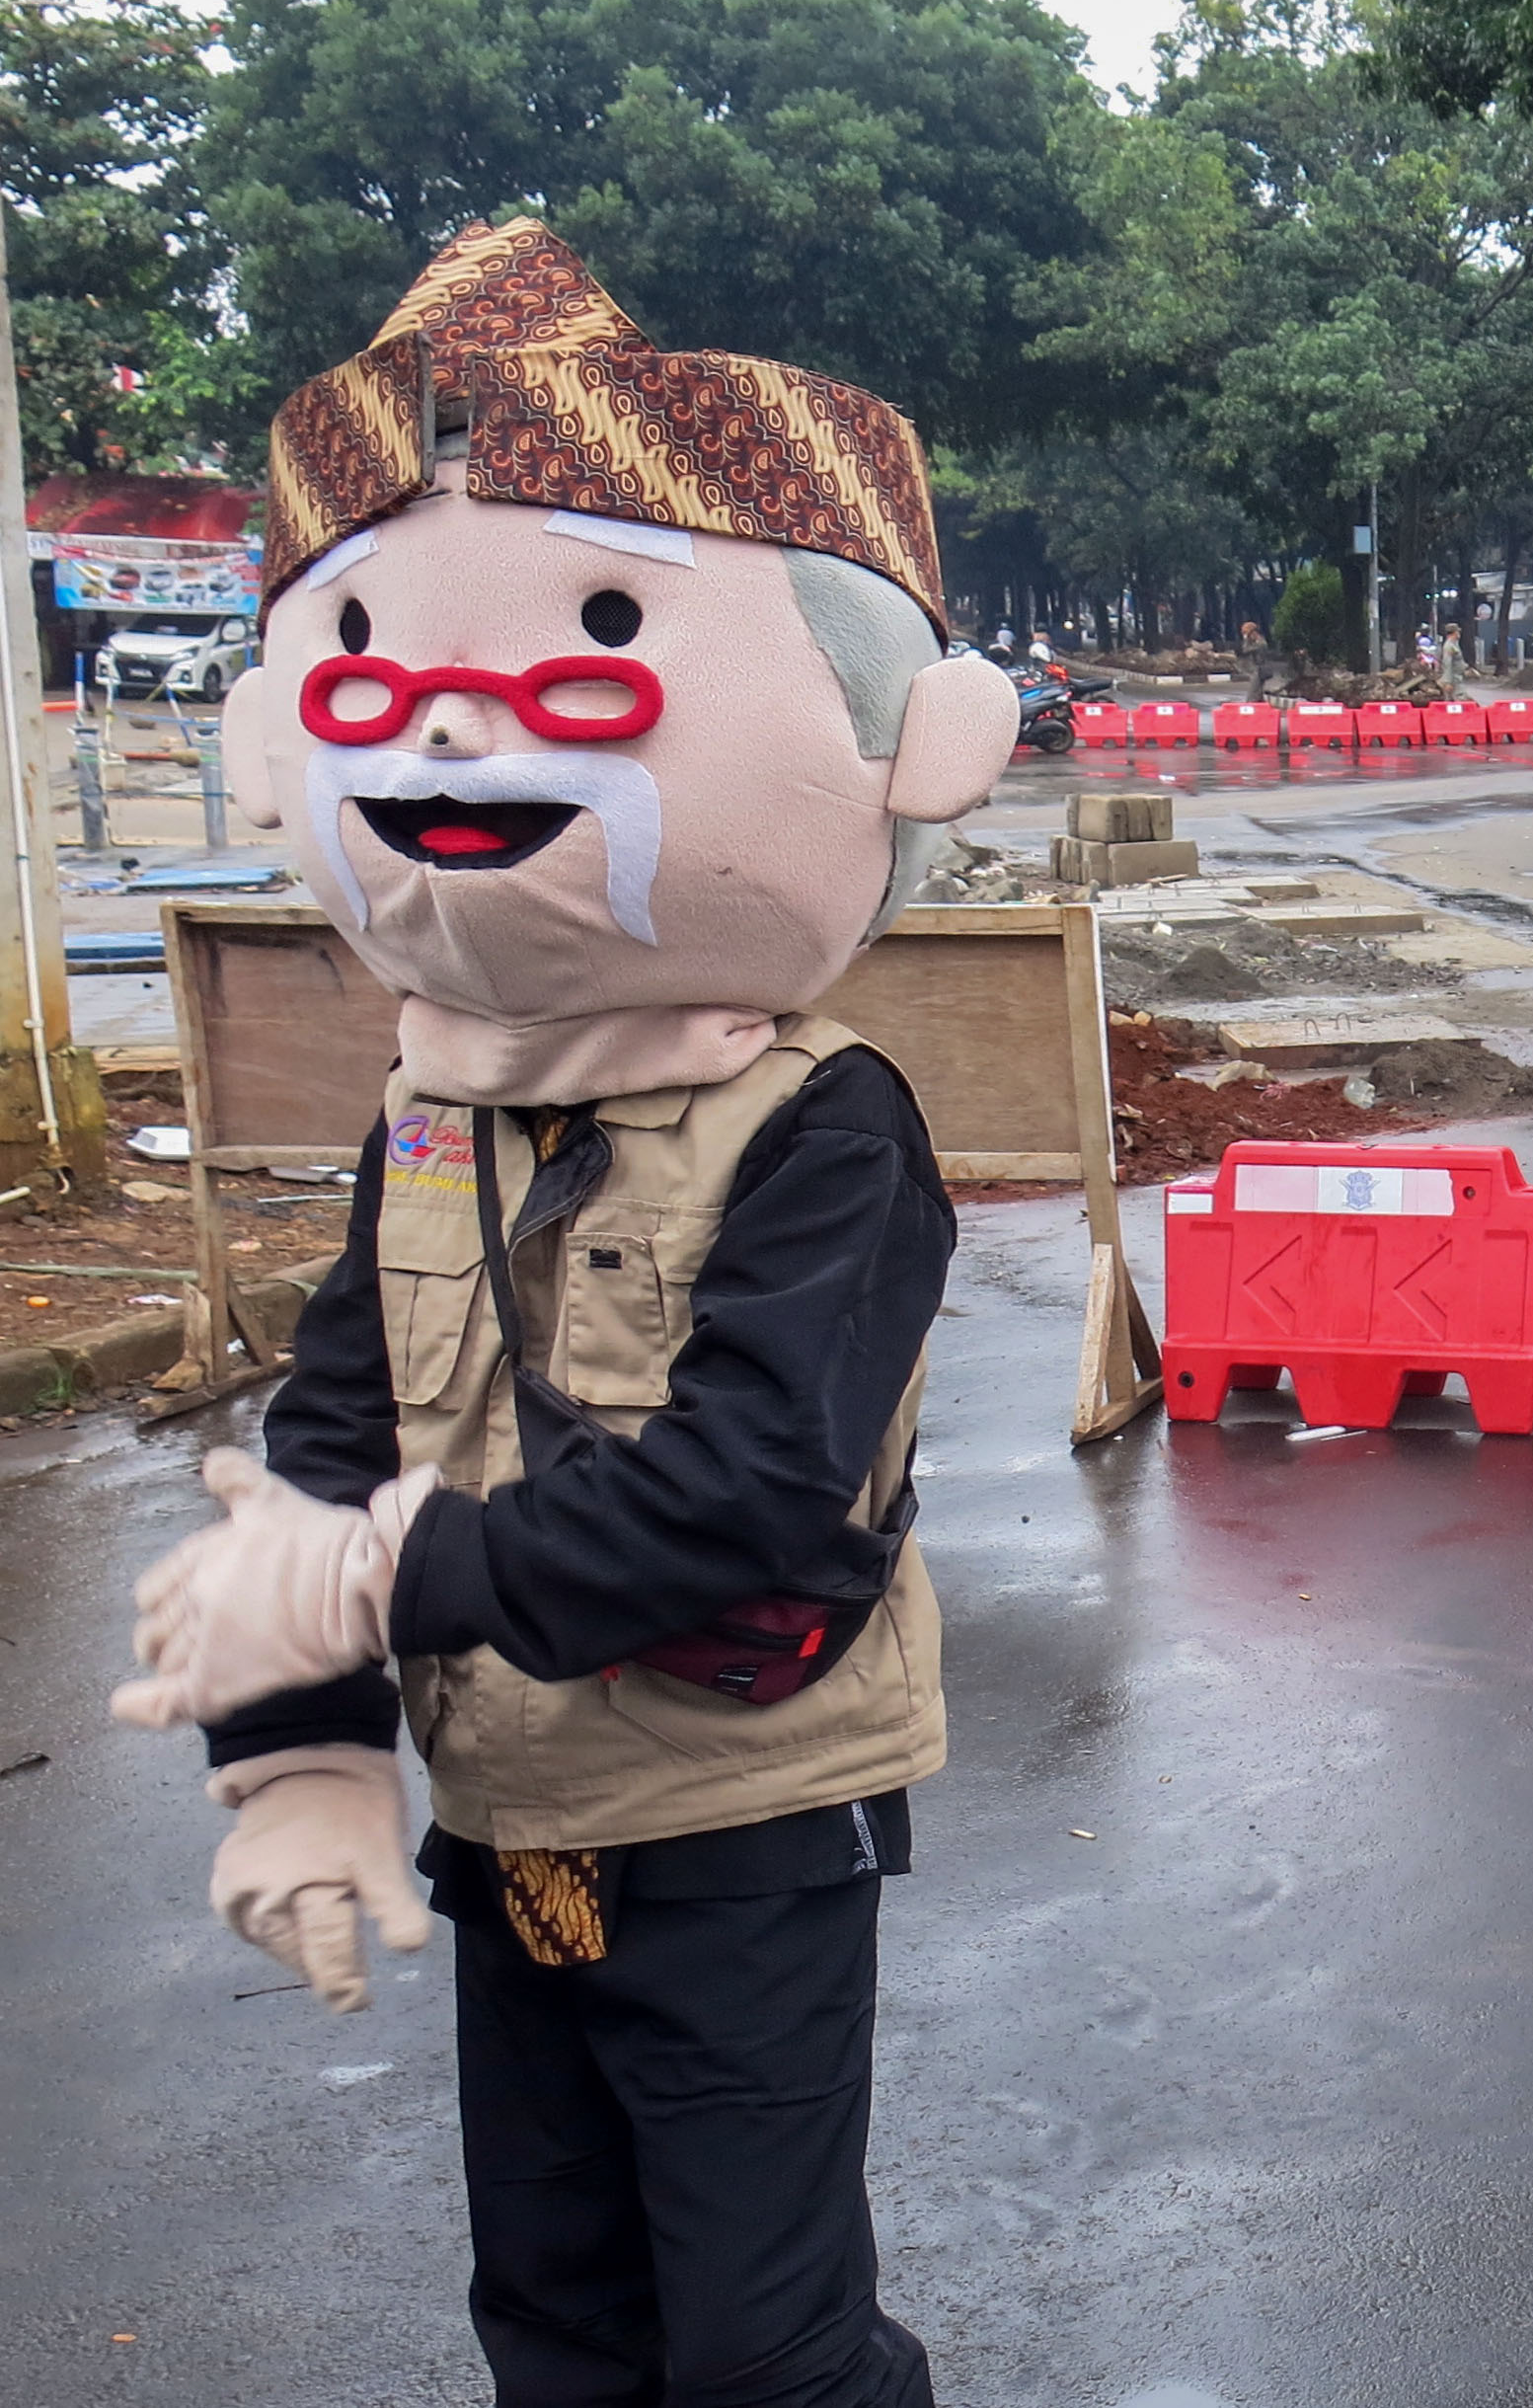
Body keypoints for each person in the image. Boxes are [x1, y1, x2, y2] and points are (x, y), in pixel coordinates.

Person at [116, 220, 1016, 2408]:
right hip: (507, 1815)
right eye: (363, 663)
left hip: (741, 1824)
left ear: (904, 748)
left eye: (603, 633)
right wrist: (300, 1755)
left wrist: (390, 1564)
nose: (446, 725)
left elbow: (752, 1490)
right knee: (557, 2323)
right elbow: (328, 1439)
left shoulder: (828, 1130)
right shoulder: (435, 1114)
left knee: (764, 2346)